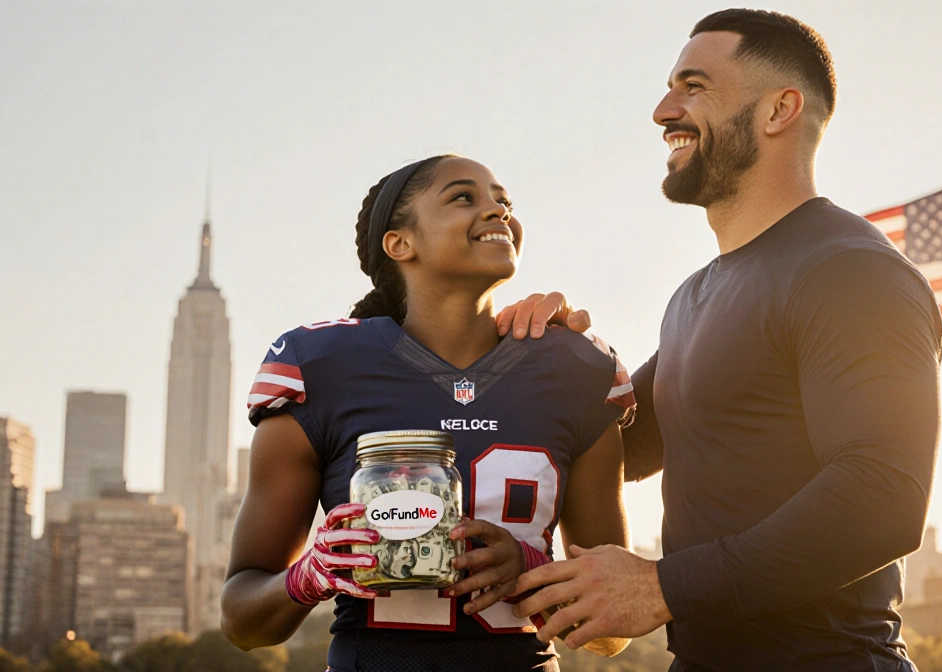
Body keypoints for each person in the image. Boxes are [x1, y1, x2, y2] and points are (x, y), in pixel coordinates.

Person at [502, 9, 942, 672]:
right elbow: (616, 445)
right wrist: (556, 361)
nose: (661, 110)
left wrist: (660, 587)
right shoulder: (695, 295)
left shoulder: (850, 270)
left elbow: (884, 496)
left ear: (779, 110)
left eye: (694, 87)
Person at [221, 155, 634, 672]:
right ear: (400, 243)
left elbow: (611, 633)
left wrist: (528, 570)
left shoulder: (577, 367)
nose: (497, 211)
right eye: (465, 197)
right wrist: (311, 574)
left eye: (504, 201)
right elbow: (241, 620)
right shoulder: (319, 366)